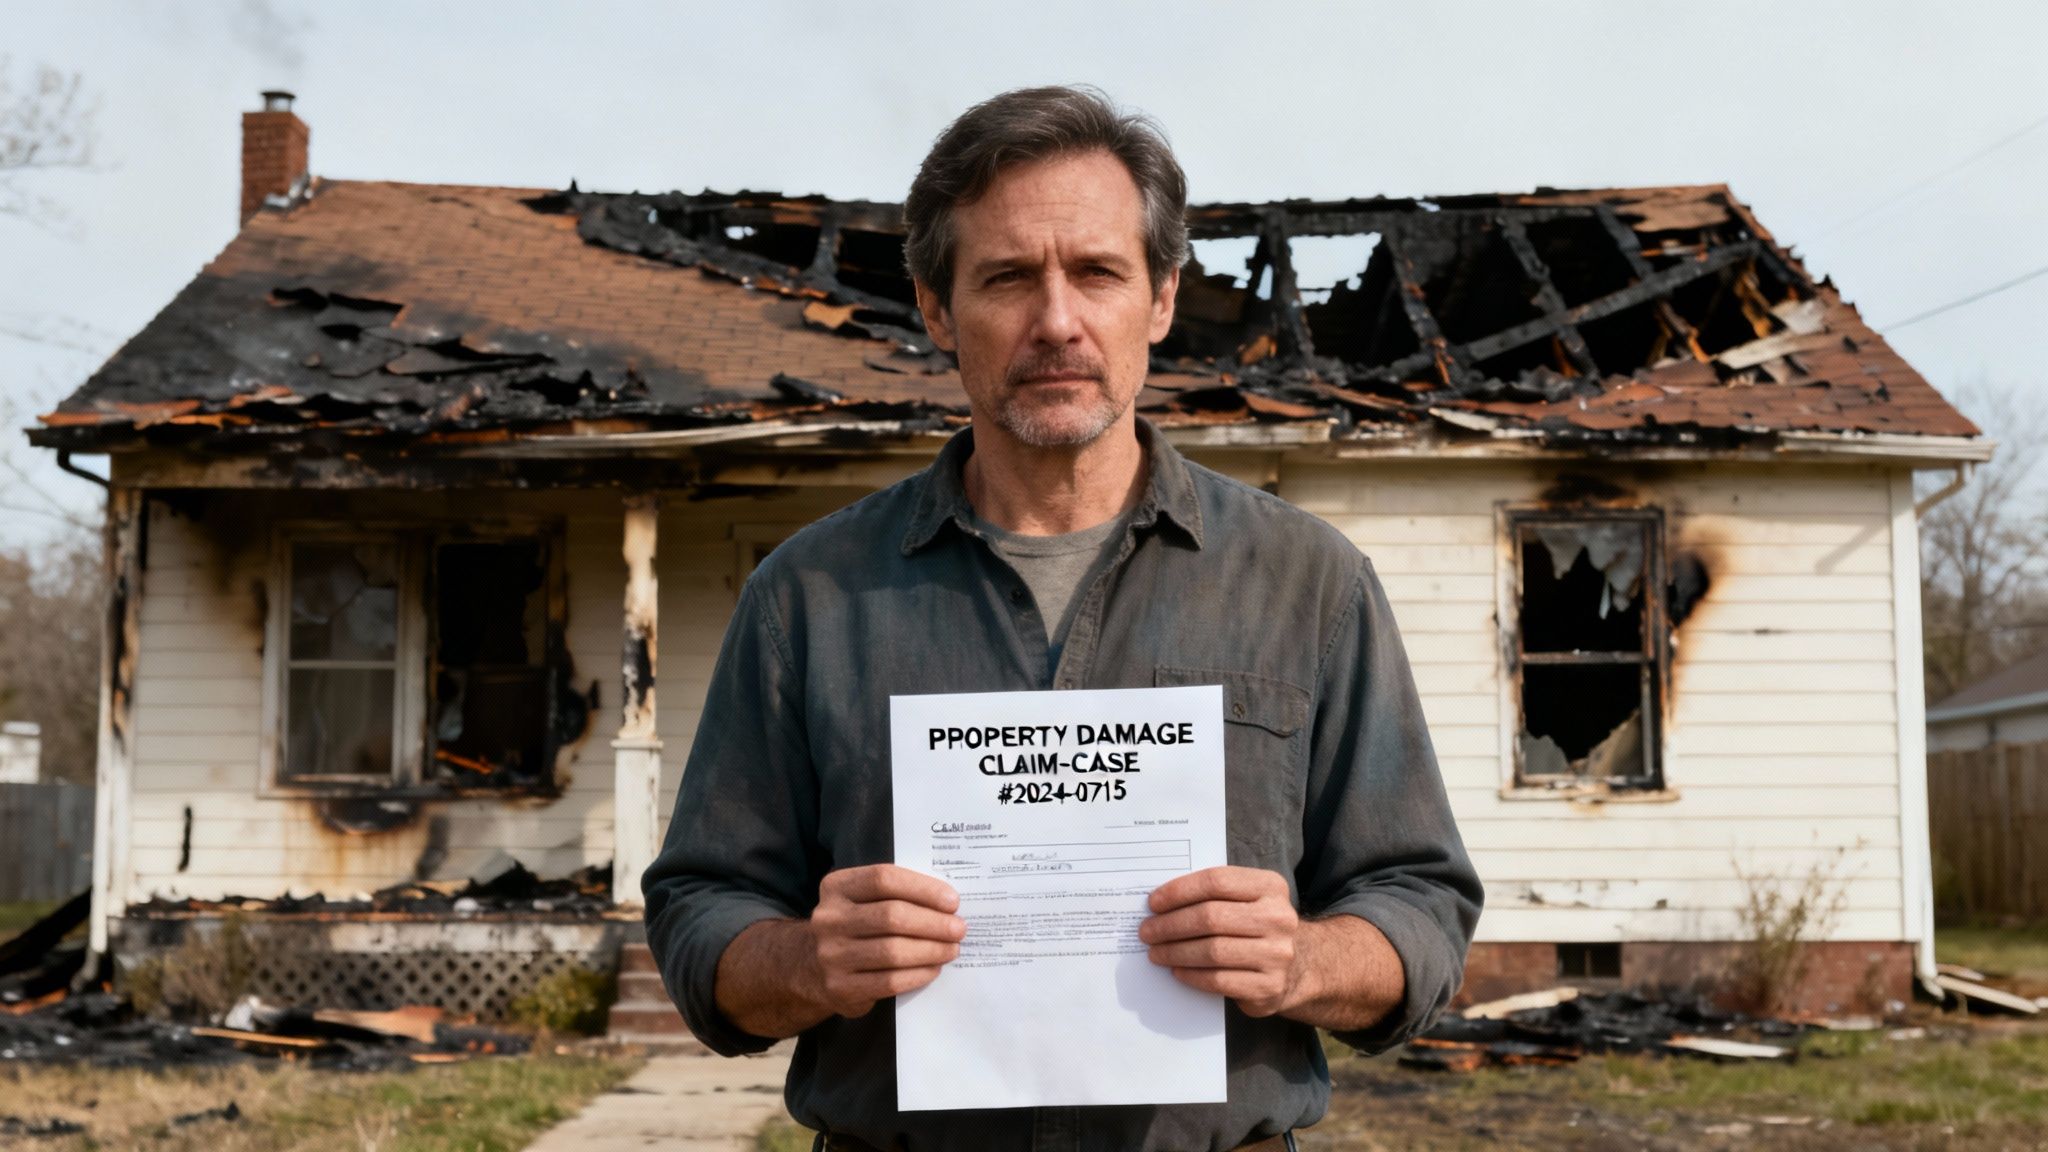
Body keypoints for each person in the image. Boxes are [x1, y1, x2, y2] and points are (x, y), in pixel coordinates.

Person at [643, 84, 1483, 1152]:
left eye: (1095, 272)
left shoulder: (1306, 582)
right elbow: (698, 909)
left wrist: (1306, 960)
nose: (1055, 322)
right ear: (939, 310)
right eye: (1004, 278)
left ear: (1162, 297)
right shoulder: (808, 597)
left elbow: (1419, 898)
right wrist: (805, 962)